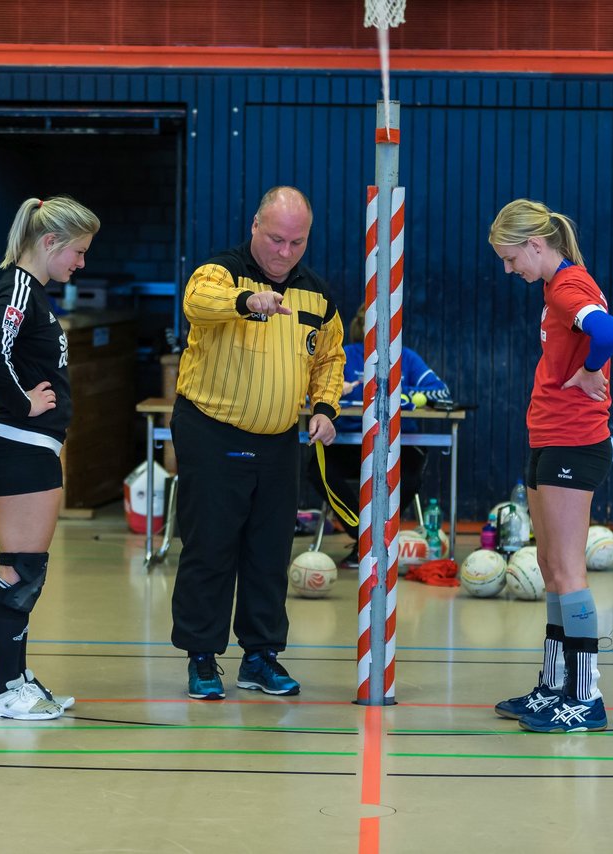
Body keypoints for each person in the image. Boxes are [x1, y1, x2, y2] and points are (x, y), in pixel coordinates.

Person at [170, 186, 346, 701]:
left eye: (297, 242)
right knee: (211, 547)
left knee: (269, 551)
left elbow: (330, 357)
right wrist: (247, 301)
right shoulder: (220, 273)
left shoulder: (317, 295)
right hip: (211, 429)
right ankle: (202, 658)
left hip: (278, 440)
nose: (284, 252)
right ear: (254, 227)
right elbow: (196, 303)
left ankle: (260, 656)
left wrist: (325, 407)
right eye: (275, 239)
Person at [488, 199, 613, 734]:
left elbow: (608, 333)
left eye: (510, 257)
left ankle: (587, 696)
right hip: (549, 437)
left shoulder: (568, 286)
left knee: (568, 569)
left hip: (574, 442)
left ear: (536, 245)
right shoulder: (554, 287)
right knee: (549, 565)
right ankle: (554, 684)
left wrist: (591, 372)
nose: (508, 269)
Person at [0, 195, 100, 720]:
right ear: (50, 243)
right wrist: (24, 400)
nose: (81, 263)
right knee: (20, 569)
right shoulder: (20, 289)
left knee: (29, 567)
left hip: (32, 447)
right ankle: (4, 691)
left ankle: (18, 677)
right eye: (78, 252)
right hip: (17, 445)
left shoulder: (31, 292)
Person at [304, 309, 453, 566]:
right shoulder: (345, 355)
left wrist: (398, 393)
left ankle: (369, 543)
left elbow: (441, 393)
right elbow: (309, 393)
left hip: (398, 445)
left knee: (408, 478)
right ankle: (366, 539)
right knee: (319, 470)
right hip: (349, 444)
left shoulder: (406, 358)